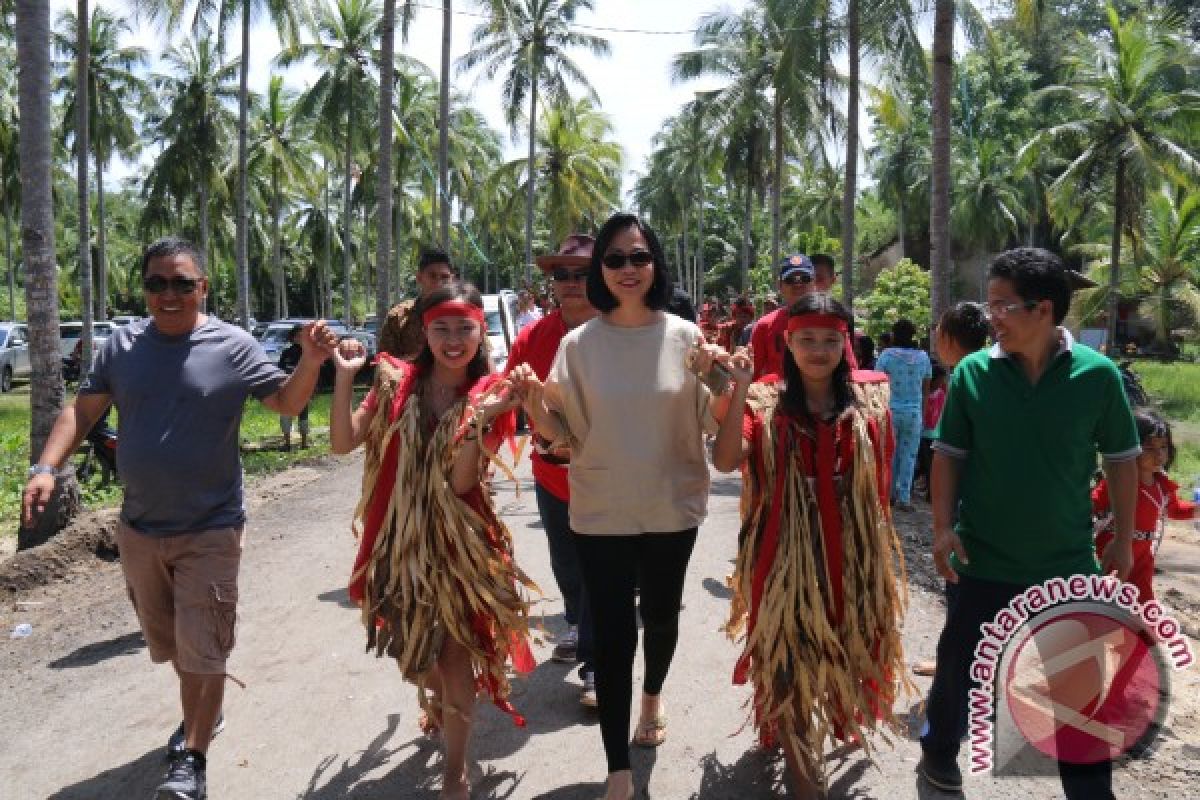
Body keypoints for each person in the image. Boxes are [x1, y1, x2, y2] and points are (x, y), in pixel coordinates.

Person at [22, 237, 338, 800]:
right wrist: (46, 466)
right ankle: (204, 714)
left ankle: (190, 758)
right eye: (157, 284)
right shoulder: (121, 346)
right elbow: (82, 409)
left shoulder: (233, 346)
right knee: (173, 647)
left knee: (205, 647)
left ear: (203, 287)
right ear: (144, 289)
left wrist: (311, 361)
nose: (169, 294)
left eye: (182, 283)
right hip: (140, 530)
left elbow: (287, 404)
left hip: (212, 527)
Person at [508, 212, 718, 800]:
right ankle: (617, 771)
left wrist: (729, 380)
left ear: (655, 264)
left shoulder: (688, 338)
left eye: (638, 257)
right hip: (599, 508)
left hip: (672, 507)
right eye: (615, 259)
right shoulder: (580, 345)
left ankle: (652, 695)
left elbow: (720, 418)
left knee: (662, 616)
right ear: (601, 269)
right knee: (614, 632)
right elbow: (558, 434)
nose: (627, 269)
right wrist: (530, 399)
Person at [918, 247, 1139, 798]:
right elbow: (948, 455)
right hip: (983, 557)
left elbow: (1121, 459)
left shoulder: (1098, 376)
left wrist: (1126, 539)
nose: (990, 315)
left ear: (1043, 310)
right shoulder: (974, 373)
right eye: (988, 303)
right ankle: (940, 749)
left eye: (1002, 304)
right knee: (960, 667)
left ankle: (1091, 791)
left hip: (1065, 564)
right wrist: (944, 528)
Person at [330, 282, 534, 800]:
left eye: (464, 327)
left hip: (461, 547)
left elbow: (463, 484)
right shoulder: (394, 385)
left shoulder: (491, 393)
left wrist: (483, 420)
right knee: (420, 658)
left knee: (453, 654)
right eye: (441, 327)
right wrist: (343, 378)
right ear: (424, 331)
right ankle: (443, 710)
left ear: (479, 330)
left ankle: (456, 773)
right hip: (398, 546)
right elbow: (342, 442)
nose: (453, 339)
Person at [710, 294, 906, 798]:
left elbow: (880, 484)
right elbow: (728, 459)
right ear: (788, 344)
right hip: (786, 560)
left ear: (845, 344)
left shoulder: (871, 401)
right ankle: (804, 782)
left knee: (845, 645)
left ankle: (836, 716)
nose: (818, 349)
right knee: (792, 660)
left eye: (829, 340)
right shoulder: (763, 400)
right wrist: (737, 389)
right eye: (806, 340)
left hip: (853, 554)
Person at [505, 234, 600, 707]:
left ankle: (597, 667)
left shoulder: (619, 331)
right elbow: (504, 397)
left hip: (608, 477)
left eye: (581, 273)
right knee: (567, 564)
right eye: (561, 275)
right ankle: (577, 622)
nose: (570, 283)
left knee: (602, 567)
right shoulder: (532, 338)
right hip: (552, 473)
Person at [1093, 408, 1196, 603]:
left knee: (1144, 607)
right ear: (1130, 447)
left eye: (1163, 447)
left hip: (1143, 560)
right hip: (1113, 553)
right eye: (1149, 448)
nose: (1158, 455)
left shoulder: (1162, 485)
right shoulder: (1117, 482)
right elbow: (1092, 505)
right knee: (1107, 606)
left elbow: (1175, 510)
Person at [874, 318, 932, 512]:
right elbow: (926, 390)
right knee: (910, 455)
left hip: (890, 411)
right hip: (914, 412)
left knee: (889, 453)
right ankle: (904, 497)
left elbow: (877, 384)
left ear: (893, 334)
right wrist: (922, 413)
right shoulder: (923, 357)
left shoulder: (886, 356)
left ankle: (888, 495)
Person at [377, 248, 457, 359]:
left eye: (445, 277)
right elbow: (384, 361)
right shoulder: (399, 316)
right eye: (432, 276)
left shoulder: (462, 313)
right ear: (419, 278)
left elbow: (483, 357)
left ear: (452, 279)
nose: (439, 283)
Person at [749, 255, 820, 379]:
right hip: (777, 396)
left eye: (805, 278)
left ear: (814, 283)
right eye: (790, 279)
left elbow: (849, 370)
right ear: (780, 286)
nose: (798, 284)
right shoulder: (764, 326)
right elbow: (752, 374)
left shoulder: (830, 321)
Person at [913, 365, 947, 500]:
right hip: (924, 434)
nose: (941, 383)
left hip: (936, 435)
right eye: (939, 380)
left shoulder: (941, 394)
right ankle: (929, 492)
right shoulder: (924, 395)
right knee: (926, 464)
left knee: (931, 466)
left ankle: (931, 494)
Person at [278, 324, 311, 450]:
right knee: (285, 415)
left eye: (302, 336)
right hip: (287, 389)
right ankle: (287, 443)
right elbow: (280, 370)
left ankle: (304, 443)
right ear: (292, 338)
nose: (300, 338)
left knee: (303, 416)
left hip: (303, 390)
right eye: (297, 336)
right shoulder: (286, 353)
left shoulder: (308, 353)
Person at [933, 301, 989, 369]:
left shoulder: (962, 376)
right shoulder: (990, 370)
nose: (936, 346)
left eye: (937, 338)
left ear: (946, 338)